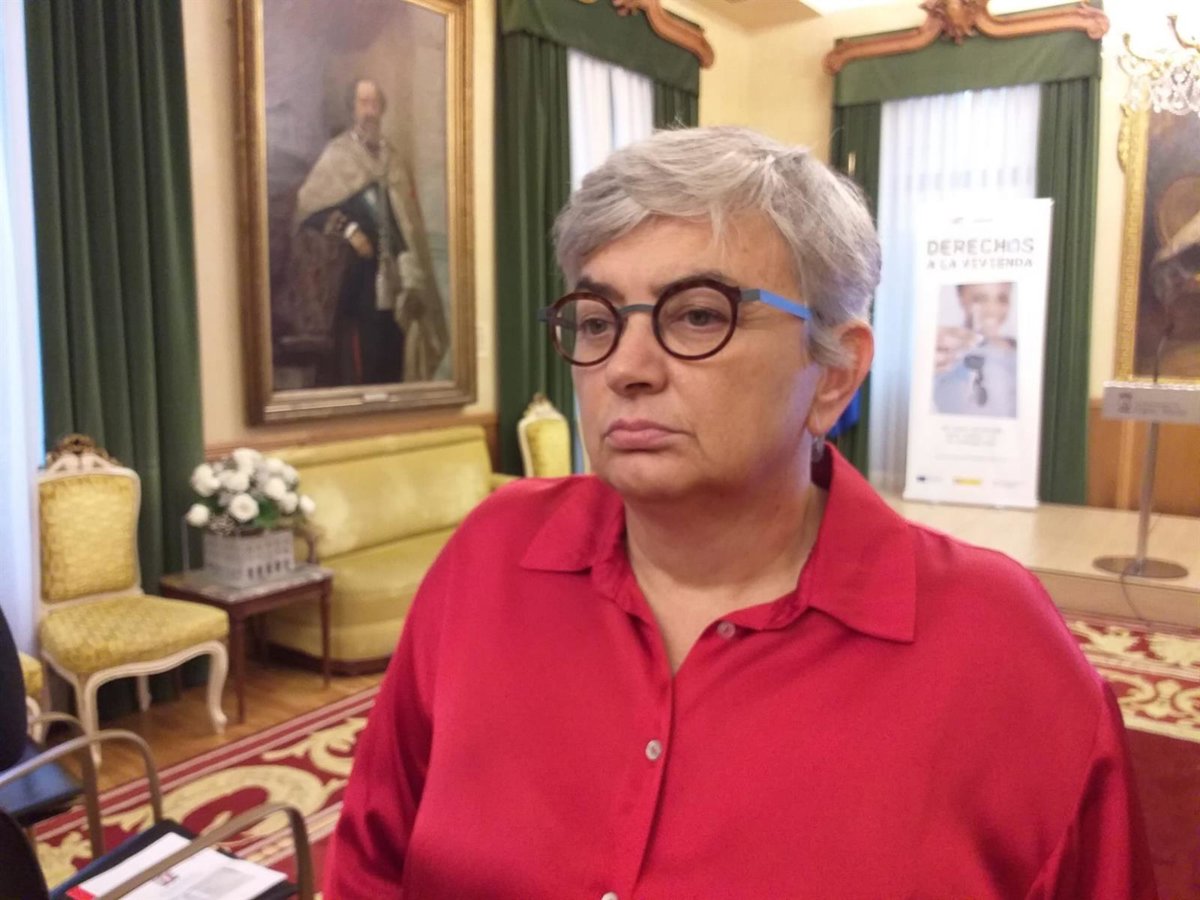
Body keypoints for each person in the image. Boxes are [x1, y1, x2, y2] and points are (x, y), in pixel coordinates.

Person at [325, 127, 1155, 898]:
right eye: (597, 320)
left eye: (698, 314)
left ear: (833, 373)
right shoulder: (492, 552)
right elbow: (371, 859)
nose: (626, 366)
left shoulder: (997, 644)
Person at [292, 78, 448, 385]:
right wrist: (349, 230)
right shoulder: (338, 155)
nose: (370, 111)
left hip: (395, 275)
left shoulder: (393, 158)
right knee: (362, 357)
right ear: (352, 108)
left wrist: (408, 264)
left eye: (375, 104)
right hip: (354, 276)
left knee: (394, 350)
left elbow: (406, 220)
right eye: (363, 103)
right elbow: (308, 211)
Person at [932, 282, 1018, 417]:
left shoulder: (1020, 356)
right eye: (981, 299)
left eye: (1002, 299)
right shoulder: (941, 353)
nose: (992, 310)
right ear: (961, 298)